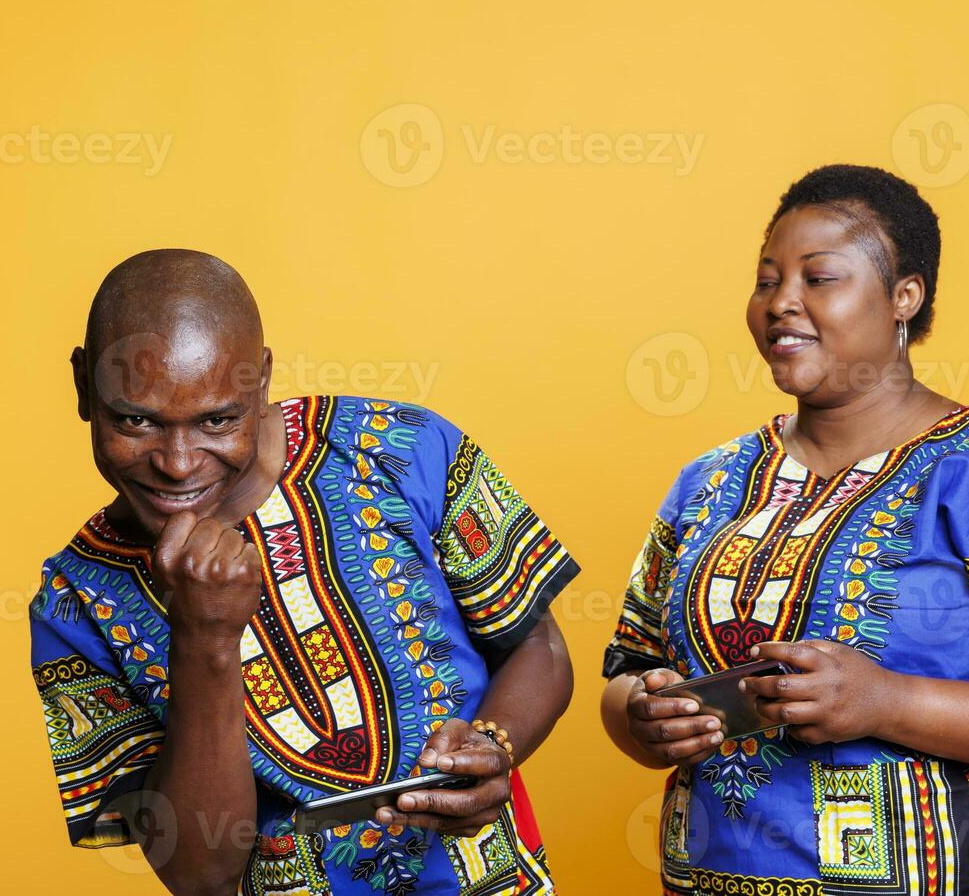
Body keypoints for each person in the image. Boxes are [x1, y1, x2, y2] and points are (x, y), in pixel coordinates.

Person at [600, 165, 969, 894]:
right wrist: (645, 716)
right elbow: (626, 669)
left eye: (819, 278)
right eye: (767, 280)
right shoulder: (708, 481)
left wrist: (888, 700)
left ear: (905, 296)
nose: (781, 304)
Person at [29, 250, 579, 895]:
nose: (177, 464)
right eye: (136, 420)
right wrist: (205, 639)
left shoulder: (401, 447)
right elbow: (199, 875)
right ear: (82, 388)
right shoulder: (76, 599)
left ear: (260, 381)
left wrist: (494, 745)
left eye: (217, 419)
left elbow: (538, 644)